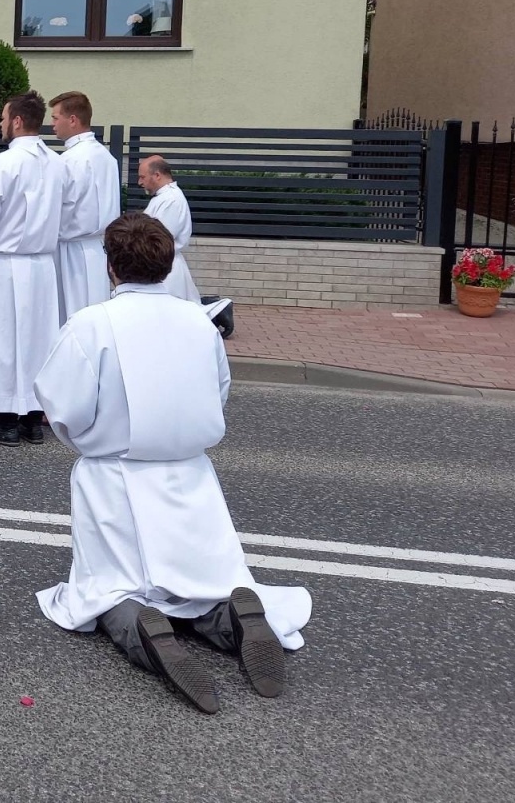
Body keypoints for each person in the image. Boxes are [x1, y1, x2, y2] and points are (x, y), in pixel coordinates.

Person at [33, 213, 309, 713]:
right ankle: (234, 616)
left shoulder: (92, 324)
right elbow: (218, 391)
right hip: (190, 475)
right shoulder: (198, 322)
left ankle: (141, 627)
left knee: (106, 589)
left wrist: (89, 440)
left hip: (112, 473)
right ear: (167, 264)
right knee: (202, 584)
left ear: (111, 267)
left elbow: (62, 404)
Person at [0, 92, 65, 446]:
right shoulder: (57, 163)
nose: (0, 124)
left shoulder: (2, 165)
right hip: (42, 265)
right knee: (39, 342)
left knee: (4, 340)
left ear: (17, 121)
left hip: (7, 263)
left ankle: (6, 421)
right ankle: (32, 421)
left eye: (3, 118)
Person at [139, 156, 233, 336]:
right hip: (162, 262)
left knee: (175, 318)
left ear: (157, 175)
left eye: (142, 177)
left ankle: (218, 310)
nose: (139, 182)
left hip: (162, 263)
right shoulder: (164, 198)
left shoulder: (171, 200)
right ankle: (216, 309)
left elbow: (159, 237)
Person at [50, 92, 120, 324]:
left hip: (71, 251)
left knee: (71, 316)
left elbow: (62, 207)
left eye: (55, 118)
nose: (52, 125)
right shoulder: (107, 157)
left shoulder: (70, 160)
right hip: (97, 249)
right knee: (95, 315)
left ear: (72, 120)